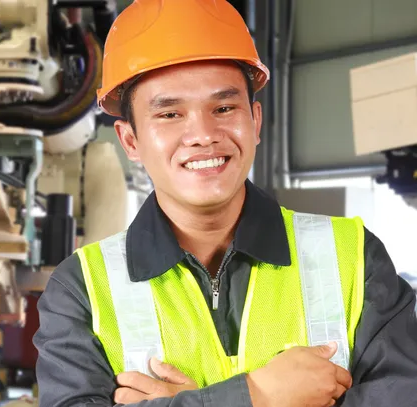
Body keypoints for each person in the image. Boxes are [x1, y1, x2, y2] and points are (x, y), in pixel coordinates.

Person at [33, 0, 417, 406]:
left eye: (223, 107)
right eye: (169, 115)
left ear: (255, 121)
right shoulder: (82, 290)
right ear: (130, 141)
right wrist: (258, 397)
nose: (202, 134)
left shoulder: (355, 259)